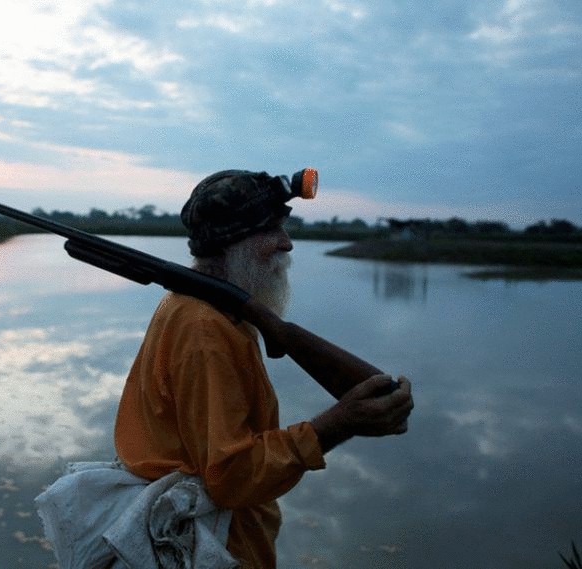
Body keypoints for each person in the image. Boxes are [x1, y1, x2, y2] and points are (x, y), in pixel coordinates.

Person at [114, 169, 414, 568]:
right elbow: (231, 477)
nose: (287, 244)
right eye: (271, 230)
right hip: (222, 546)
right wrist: (337, 424)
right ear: (230, 244)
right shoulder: (205, 327)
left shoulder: (209, 312)